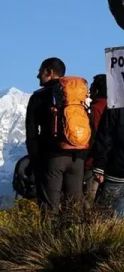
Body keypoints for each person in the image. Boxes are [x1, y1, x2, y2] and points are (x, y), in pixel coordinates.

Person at [24, 57, 87, 214]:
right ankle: (76, 238)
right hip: (77, 157)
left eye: (40, 71)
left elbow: (31, 132)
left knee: (49, 208)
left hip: (52, 157)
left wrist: (35, 160)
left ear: (50, 72)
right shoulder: (76, 97)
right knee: (74, 210)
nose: (38, 75)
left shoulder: (39, 96)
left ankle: (49, 238)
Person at [84, 74, 107, 202]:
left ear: (97, 90)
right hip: (114, 163)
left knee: (89, 200)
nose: (89, 91)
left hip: (93, 162)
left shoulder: (95, 109)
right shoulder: (116, 107)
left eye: (91, 88)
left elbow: (94, 135)